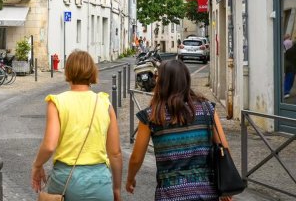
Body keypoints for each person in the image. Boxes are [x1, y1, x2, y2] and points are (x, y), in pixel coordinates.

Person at [126, 59, 232, 201]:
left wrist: (130, 178)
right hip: (207, 193)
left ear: (162, 82)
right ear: (186, 81)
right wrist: (225, 186)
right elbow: (224, 148)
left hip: (169, 196)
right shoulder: (207, 109)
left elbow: (136, 158)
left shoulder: (152, 115)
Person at [31, 50, 122, 200]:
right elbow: (115, 153)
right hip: (100, 182)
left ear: (68, 71)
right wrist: (116, 189)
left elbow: (49, 146)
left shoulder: (57, 102)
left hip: (66, 181)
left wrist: (37, 165)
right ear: (92, 71)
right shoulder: (105, 103)